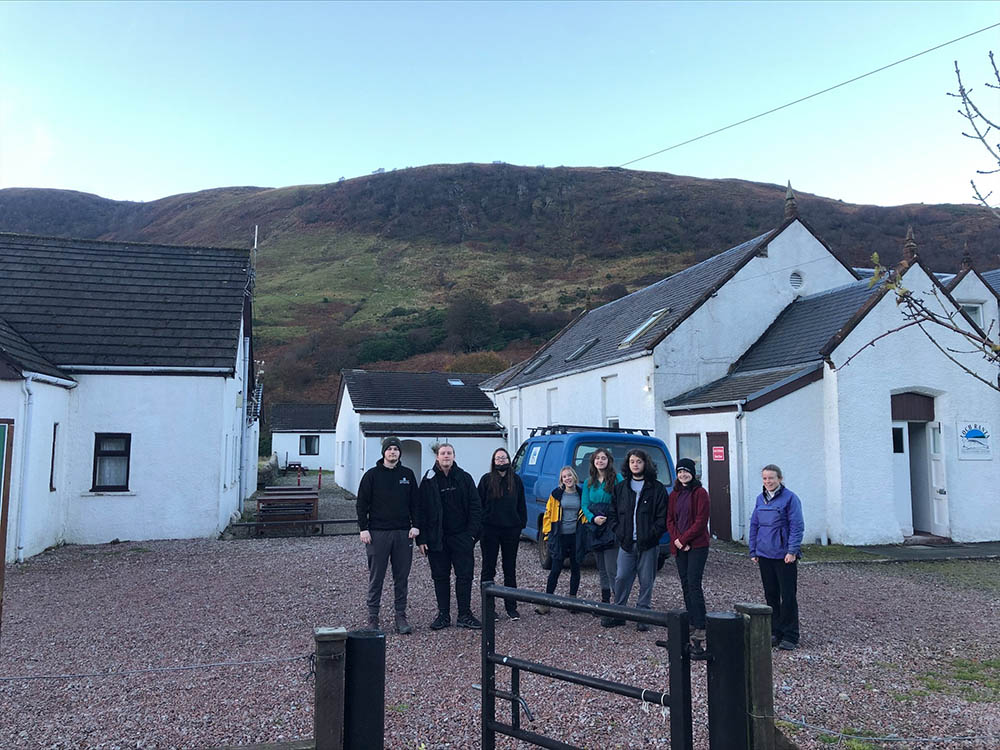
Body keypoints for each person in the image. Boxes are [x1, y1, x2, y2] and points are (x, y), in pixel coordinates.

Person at [356, 436, 420, 634]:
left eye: (396, 449)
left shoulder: (407, 475)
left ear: (400, 453)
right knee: (377, 577)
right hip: (377, 534)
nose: (393, 452)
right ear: (384, 452)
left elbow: (415, 504)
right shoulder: (371, 476)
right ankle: (373, 617)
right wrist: (363, 528)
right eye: (389, 449)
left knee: (401, 577)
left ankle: (400, 616)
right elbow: (361, 504)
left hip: (403, 533)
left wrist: (416, 526)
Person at [417, 443, 483, 630]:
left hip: (461, 536)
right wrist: (421, 539)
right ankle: (443, 615)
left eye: (449, 453)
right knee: (440, 577)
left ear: (454, 456)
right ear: (437, 457)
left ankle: (464, 614)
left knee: (464, 576)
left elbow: (476, 507)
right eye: (443, 453)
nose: (446, 456)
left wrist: (471, 535)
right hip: (436, 538)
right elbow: (420, 510)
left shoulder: (464, 478)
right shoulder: (429, 480)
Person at [603, 448, 668, 631]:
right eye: (632, 462)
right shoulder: (621, 488)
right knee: (622, 577)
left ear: (645, 464)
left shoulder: (657, 488)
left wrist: (652, 534)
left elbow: (662, 517)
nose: (635, 465)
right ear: (628, 464)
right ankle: (619, 613)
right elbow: (613, 513)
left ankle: (643, 615)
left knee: (646, 580)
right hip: (626, 543)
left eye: (639, 461)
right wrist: (619, 531)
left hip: (648, 544)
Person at [749, 464, 804, 650]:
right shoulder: (760, 499)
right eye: (764, 478)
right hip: (764, 554)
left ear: (779, 478)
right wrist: (753, 549)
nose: (768, 482)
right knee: (770, 595)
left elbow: (797, 526)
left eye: (771, 478)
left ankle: (790, 635)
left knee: (787, 596)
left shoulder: (790, 499)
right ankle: (775, 631)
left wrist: (792, 551)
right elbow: (754, 525)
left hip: (784, 556)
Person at [478, 447, 528, 621]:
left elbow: (521, 504)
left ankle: (511, 607)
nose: (501, 461)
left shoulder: (516, 481)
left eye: (504, 458)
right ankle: (489, 608)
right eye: (498, 458)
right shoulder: (486, 480)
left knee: (510, 569)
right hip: (489, 530)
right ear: (493, 461)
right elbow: (479, 505)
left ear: (509, 460)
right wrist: (481, 527)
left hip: (511, 530)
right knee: (488, 569)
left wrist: (520, 524)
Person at [666, 457, 711, 652]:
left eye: (686, 471)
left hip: (697, 545)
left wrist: (684, 540)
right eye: (680, 472)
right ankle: (691, 620)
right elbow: (670, 520)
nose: (683, 475)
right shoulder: (675, 494)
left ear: (693, 473)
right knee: (684, 582)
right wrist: (677, 539)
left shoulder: (700, 493)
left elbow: (701, 521)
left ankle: (701, 624)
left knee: (694, 583)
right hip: (679, 545)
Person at [535, 466, 589, 614]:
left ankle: (573, 602)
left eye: (569, 475)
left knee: (575, 568)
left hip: (576, 536)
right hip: (560, 536)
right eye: (564, 477)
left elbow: (585, 511)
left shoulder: (581, 493)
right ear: (561, 480)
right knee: (555, 569)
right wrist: (547, 534)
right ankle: (546, 602)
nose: (567, 478)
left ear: (574, 477)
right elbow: (548, 515)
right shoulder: (556, 495)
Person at [580, 448, 621, 606]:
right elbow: (584, 504)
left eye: (603, 458)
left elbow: (622, 500)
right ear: (593, 462)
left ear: (608, 460)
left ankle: (619, 602)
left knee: (612, 568)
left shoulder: (617, 479)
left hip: (611, 526)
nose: (600, 461)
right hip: (595, 527)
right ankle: (605, 601)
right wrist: (592, 518)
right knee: (602, 568)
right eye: (597, 458)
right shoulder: (589, 482)